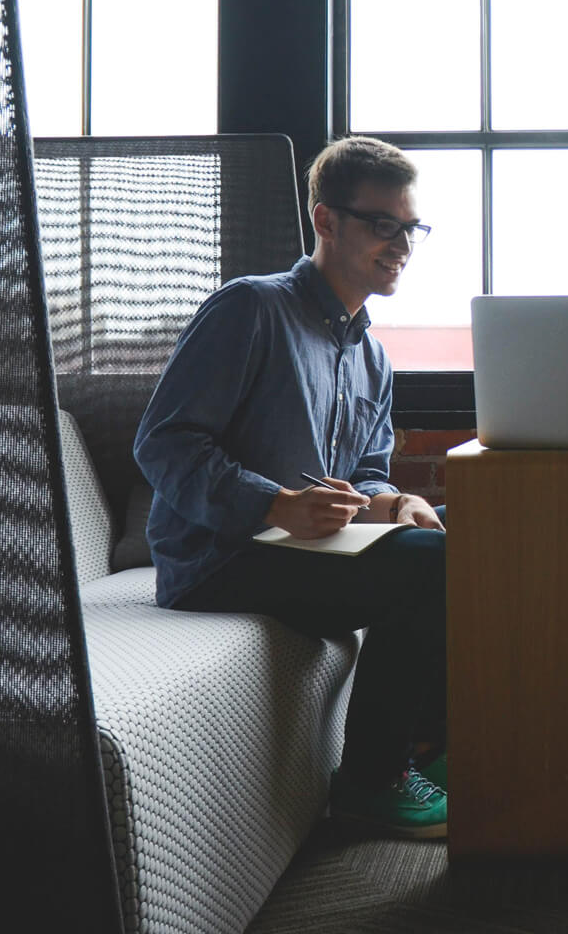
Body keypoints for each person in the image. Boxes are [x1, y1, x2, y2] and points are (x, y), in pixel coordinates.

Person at [133, 135, 451, 838]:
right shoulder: (250, 309)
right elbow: (163, 443)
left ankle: (434, 743)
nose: (401, 245)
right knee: (438, 566)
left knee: (468, 532)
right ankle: (372, 782)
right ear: (326, 220)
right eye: (383, 225)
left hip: (310, 551)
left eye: (411, 228)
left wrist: (394, 502)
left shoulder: (371, 356)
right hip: (222, 559)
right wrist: (274, 504)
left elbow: (365, 472)